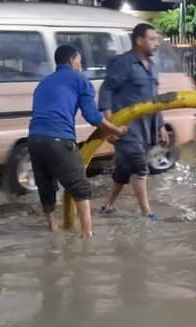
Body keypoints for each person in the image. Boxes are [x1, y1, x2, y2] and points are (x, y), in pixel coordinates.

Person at [28, 45, 126, 238]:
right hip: (59, 139)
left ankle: (53, 231)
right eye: (80, 62)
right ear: (72, 61)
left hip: (34, 140)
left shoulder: (43, 83)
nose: (81, 66)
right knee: (80, 187)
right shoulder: (79, 80)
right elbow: (92, 116)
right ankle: (87, 235)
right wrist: (117, 130)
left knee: (45, 186)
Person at [99, 23, 166, 220]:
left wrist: (161, 125)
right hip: (126, 129)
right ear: (139, 41)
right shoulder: (123, 63)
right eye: (152, 39)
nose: (157, 43)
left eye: (157, 39)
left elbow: (155, 99)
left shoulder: (152, 67)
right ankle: (147, 213)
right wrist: (110, 124)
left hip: (146, 128)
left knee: (123, 170)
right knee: (139, 166)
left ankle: (108, 205)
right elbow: (106, 90)